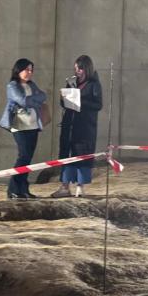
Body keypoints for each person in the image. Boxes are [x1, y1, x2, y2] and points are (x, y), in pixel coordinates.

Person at [51, 55, 103, 198]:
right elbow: (65, 104)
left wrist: (80, 101)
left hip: (85, 128)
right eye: (75, 68)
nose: (77, 71)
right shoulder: (71, 82)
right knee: (66, 155)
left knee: (82, 156)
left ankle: (80, 187)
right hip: (69, 125)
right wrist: (64, 99)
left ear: (86, 68)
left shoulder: (94, 85)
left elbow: (98, 105)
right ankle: (64, 186)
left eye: (80, 68)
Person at [0, 59, 47, 199]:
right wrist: (34, 99)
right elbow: (23, 101)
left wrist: (33, 99)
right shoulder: (12, 85)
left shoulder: (32, 85)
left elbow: (44, 96)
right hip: (19, 126)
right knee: (23, 157)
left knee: (28, 159)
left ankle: (24, 190)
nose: (29, 73)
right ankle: (13, 189)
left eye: (31, 70)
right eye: (27, 69)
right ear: (18, 70)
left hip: (33, 125)